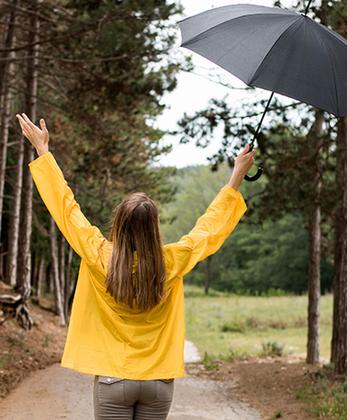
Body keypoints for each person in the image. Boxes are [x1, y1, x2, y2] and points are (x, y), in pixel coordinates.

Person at [16, 113, 256, 420]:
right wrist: (236, 175)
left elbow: (66, 207)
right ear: (154, 228)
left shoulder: (98, 253)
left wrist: (43, 151)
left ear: (119, 224)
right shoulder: (172, 261)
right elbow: (208, 229)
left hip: (113, 379)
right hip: (158, 381)